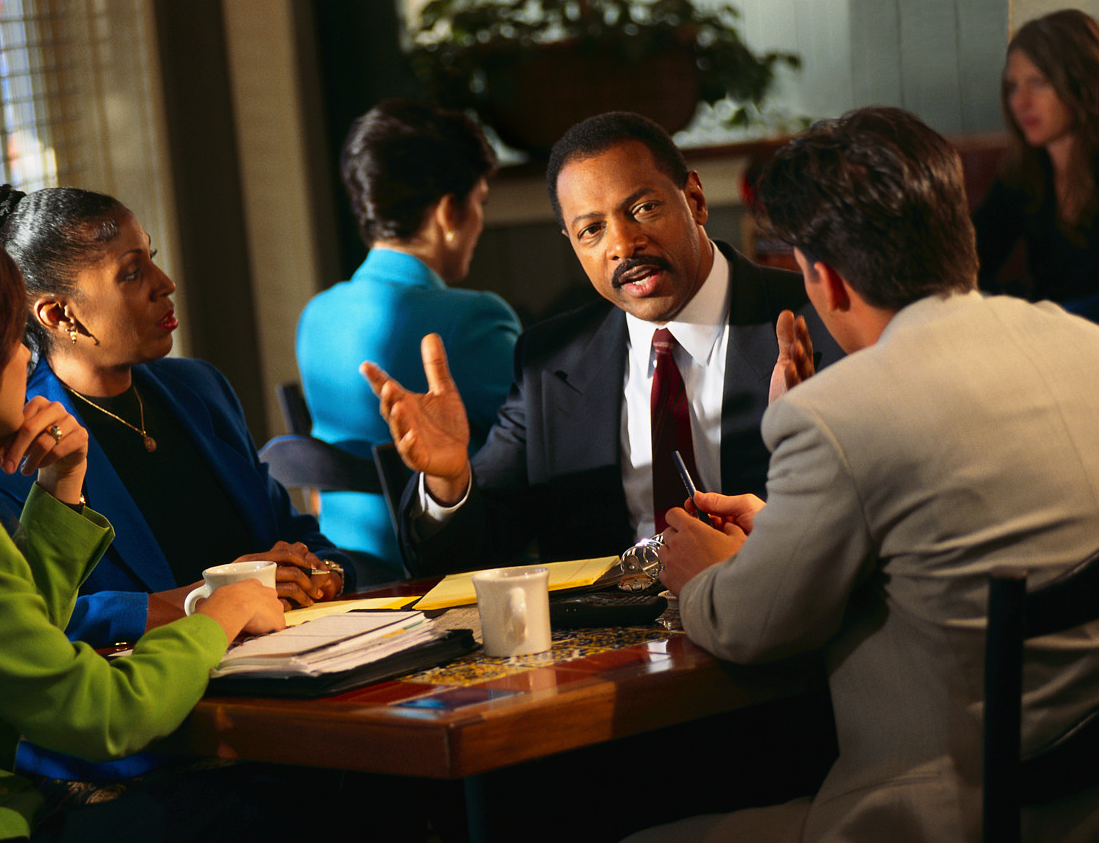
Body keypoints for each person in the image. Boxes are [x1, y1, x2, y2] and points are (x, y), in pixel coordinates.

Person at [637, 107, 1099, 842]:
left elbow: (751, 625)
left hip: (943, 813)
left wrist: (700, 578)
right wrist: (783, 522)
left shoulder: (843, 411)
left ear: (825, 278)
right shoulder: (1085, 343)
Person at [0, 232, 292, 842]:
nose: (26, 357)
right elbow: (100, 717)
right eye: (11, 338)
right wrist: (217, 614)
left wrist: (61, 488)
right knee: (266, 805)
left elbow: (22, 637)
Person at [362, 110, 842, 577]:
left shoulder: (819, 319)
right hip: (608, 647)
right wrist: (448, 482)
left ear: (694, 198)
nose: (622, 244)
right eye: (592, 229)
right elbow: (461, 560)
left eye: (643, 209)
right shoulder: (549, 362)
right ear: (572, 243)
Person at [0, 185, 351, 655]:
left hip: (300, 661)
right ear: (59, 314)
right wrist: (206, 604)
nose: (166, 283)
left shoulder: (201, 388)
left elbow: (299, 536)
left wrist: (318, 576)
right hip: (150, 698)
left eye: (152, 258)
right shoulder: (17, 446)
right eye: (133, 273)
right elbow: (42, 619)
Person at [296, 99, 521, 582]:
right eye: (479, 202)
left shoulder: (316, 315)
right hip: (444, 569)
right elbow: (547, 442)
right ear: (448, 212)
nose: (479, 220)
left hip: (343, 573)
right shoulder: (474, 319)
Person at [975, 8, 1099, 315]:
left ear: (1081, 83)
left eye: (1039, 83)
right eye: (1013, 86)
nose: (1020, 102)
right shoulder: (1024, 175)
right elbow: (970, 258)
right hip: (1050, 341)